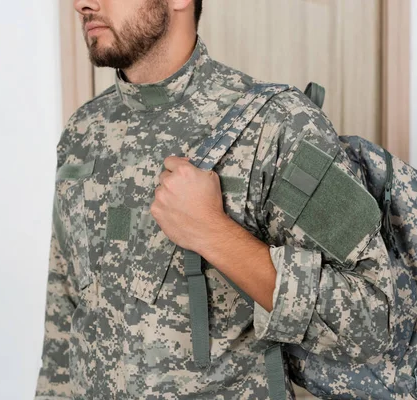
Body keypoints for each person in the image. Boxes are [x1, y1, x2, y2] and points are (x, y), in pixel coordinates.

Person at [34, 0, 394, 399]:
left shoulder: (279, 126)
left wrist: (213, 232)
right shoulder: (84, 131)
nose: (82, 4)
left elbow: (372, 318)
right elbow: (65, 306)